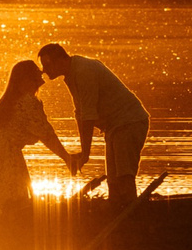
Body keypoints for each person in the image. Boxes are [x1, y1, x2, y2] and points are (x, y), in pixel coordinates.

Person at [0, 60, 80, 237]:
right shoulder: (27, 102)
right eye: (36, 74)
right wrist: (67, 158)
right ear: (26, 80)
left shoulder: (8, 102)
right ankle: (7, 232)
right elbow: (47, 134)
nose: (42, 76)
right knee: (13, 194)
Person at [37, 42, 149, 207]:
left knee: (124, 176)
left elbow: (88, 115)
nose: (44, 70)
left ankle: (132, 216)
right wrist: (83, 151)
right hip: (114, 126)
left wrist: (86, 153)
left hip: (128, 122)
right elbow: (80, 114)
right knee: (113, 181)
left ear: (60, 60)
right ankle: (119, 213)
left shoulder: (83, 71)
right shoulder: (71, 74)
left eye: (47, 64)